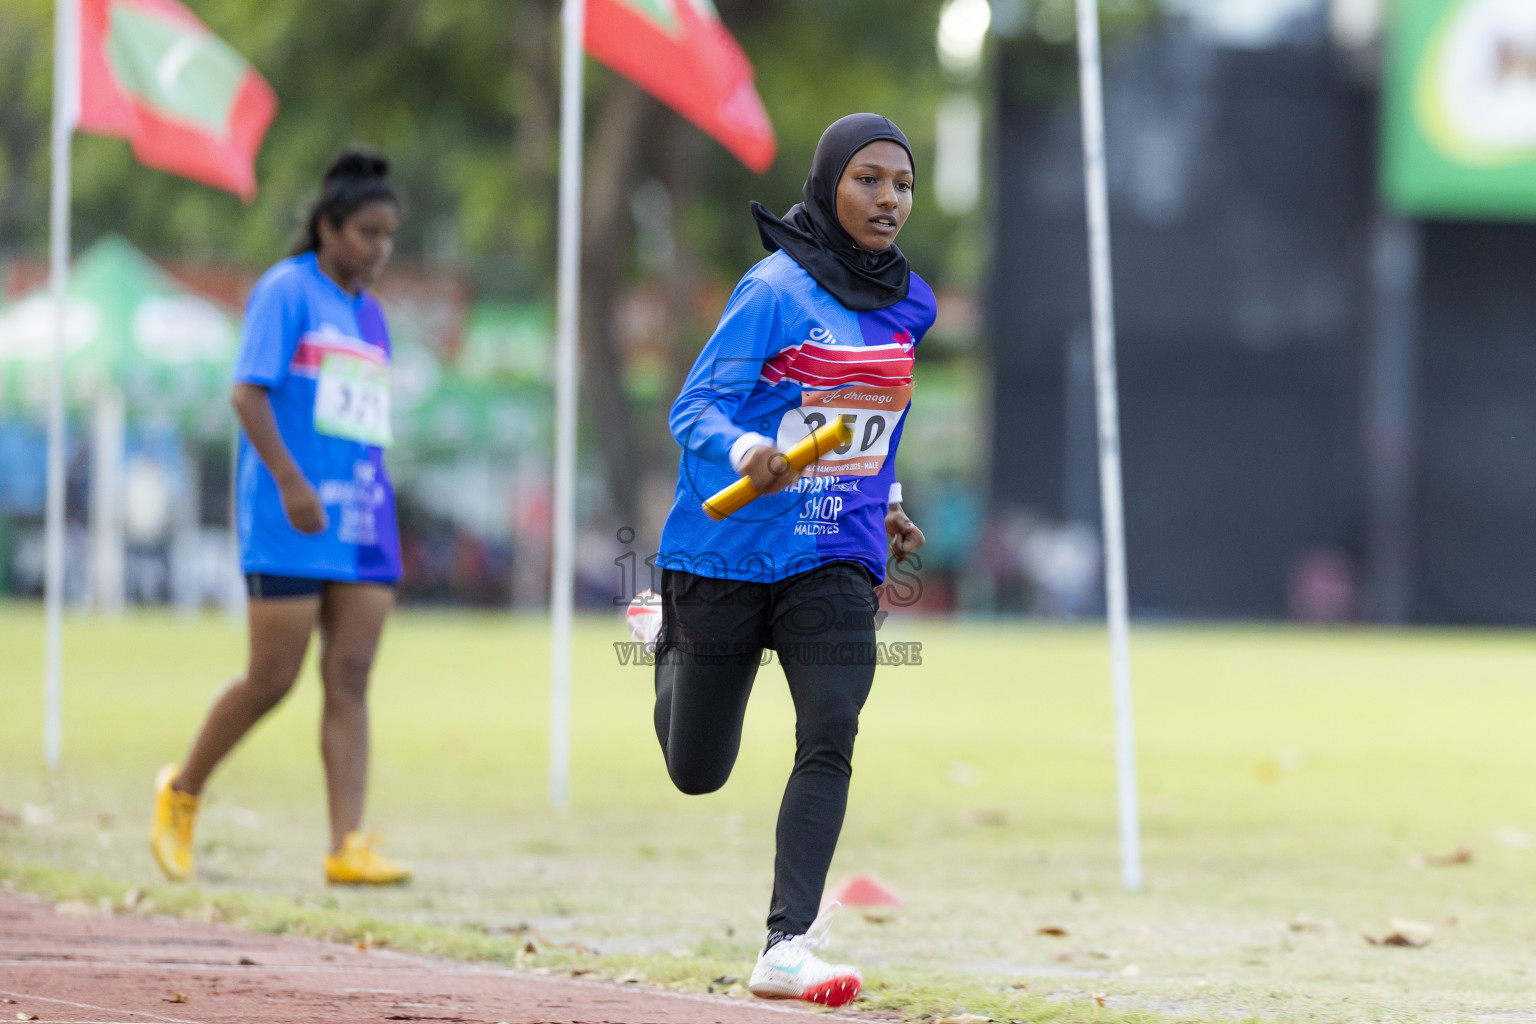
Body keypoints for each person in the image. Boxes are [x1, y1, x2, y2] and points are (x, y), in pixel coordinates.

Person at [651, 113, 934, 1007]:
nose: (889, 199)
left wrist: (888, 501)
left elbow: (877, 413)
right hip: (728, 549)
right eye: (868, 180)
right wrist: (748, 451)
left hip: (836, 548)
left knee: (832, 726)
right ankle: (664, 634)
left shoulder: (911, 302)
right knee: (697, 770)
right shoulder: (772, 290)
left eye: (903, 184)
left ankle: (786, 945)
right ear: (827, 184)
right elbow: (693, 409)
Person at [150, 148, 410, 886]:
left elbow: (362, 420)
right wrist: (293, 484)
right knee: (271, 679)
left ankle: (346, 844)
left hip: (362, 520)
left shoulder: (372, 316)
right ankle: (182, 791)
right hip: (289, 516)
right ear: (329, 228)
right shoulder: (286, 291)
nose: (380, 249)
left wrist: (372, 496)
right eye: (367, 232)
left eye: (388, 236)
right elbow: (247, 393)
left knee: (351, 676)